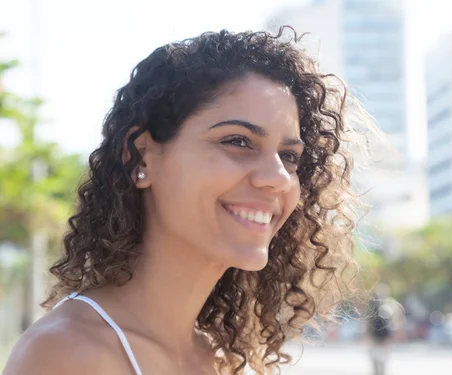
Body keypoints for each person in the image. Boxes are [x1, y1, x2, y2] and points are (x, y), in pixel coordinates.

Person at [3, 27, 379, 375]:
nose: (279, 178)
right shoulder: (68, 355)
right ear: (142, 156)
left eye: (289, 156)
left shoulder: (222, 357)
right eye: (238, 141)